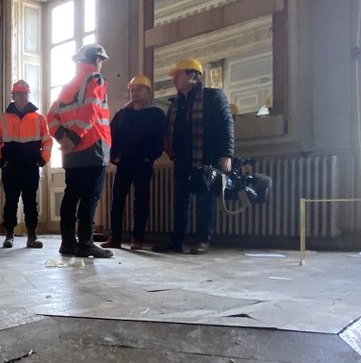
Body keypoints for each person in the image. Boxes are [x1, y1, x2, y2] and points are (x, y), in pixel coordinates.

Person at [154, 58, 234, 255]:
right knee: (180, 201)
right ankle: (177, 241)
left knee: (206, 200)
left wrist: (227, 153)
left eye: (177, 74)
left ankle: (203, 241)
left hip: (207, 156)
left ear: (192, 75)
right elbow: (170, 129)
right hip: (182, 157)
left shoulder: (213, 96)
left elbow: (226, 124)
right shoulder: (175, 103)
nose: (174, 79)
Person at [46, 43, 114, 259]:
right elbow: (90, 110)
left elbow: (50, 117)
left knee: (71, 195)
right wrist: (75, 137)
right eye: (101, 60)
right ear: (97, 60)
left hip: (71, 152)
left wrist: (63, 137)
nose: (101, 64)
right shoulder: (95, 79)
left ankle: (67, 243)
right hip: (93, 147)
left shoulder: (68, 86)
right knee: (89, 197)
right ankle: (85, 244)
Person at [0, 79, 52, 249]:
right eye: (19, 94)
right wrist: (0, 161)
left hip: (31, 168)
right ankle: (9, 235)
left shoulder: (39, 118)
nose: (22, 97)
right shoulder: (2, 119)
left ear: (28, 95)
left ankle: (32, 236)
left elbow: (47, 141)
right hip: (11, 168)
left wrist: (43, 159)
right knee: (10, 202)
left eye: (25, 94)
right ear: (13, 96)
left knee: (31, 203)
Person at [104, 75, 167, 251]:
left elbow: (160, 139)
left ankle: (137, 238)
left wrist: (150, 157)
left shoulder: (157, 115)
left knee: (141, 201)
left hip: (143, 163)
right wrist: (114, 156)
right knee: (117, 200)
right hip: (123, 163)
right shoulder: (122, 114)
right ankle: (115, 238)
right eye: (132, 90)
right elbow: (111, 136)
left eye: (139, 90)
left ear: (148, 92)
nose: (134, 93)